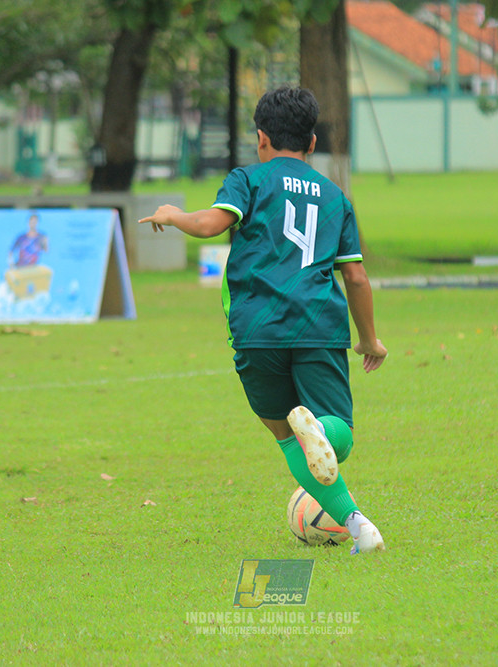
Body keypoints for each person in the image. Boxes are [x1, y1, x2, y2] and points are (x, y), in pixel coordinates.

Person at [139, 87, 389, 554]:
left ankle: (358, 526)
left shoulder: (248, 180)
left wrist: (173, 214)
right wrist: (369, 339)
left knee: (287, 436)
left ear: (261, 137)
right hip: (318, 325)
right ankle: (325, 443)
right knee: (339, 434)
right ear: (312, 143)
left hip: (256, 330)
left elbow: (212, 224)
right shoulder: (336, 197)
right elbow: (355, 275)